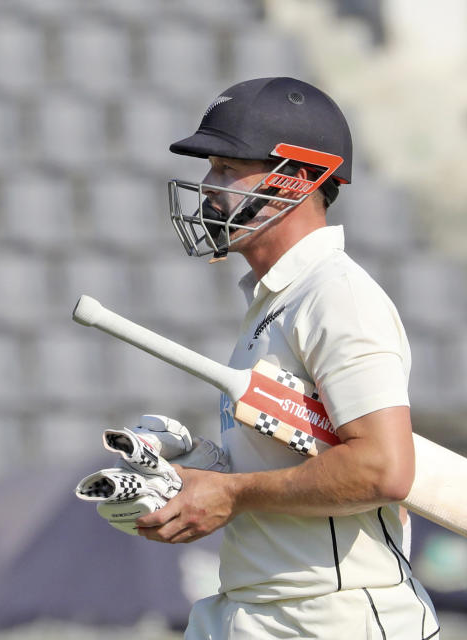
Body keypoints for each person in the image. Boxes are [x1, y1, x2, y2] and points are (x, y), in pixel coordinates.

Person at [137, 77, 440, 639]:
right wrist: (200, 469)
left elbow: (383, 468)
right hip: (258, 609)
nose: (208, 187)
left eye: (227, 170)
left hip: (334, 617)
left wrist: (231, 494)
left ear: (295, 179)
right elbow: (291, 463)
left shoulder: (336, 296)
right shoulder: (277, 300)